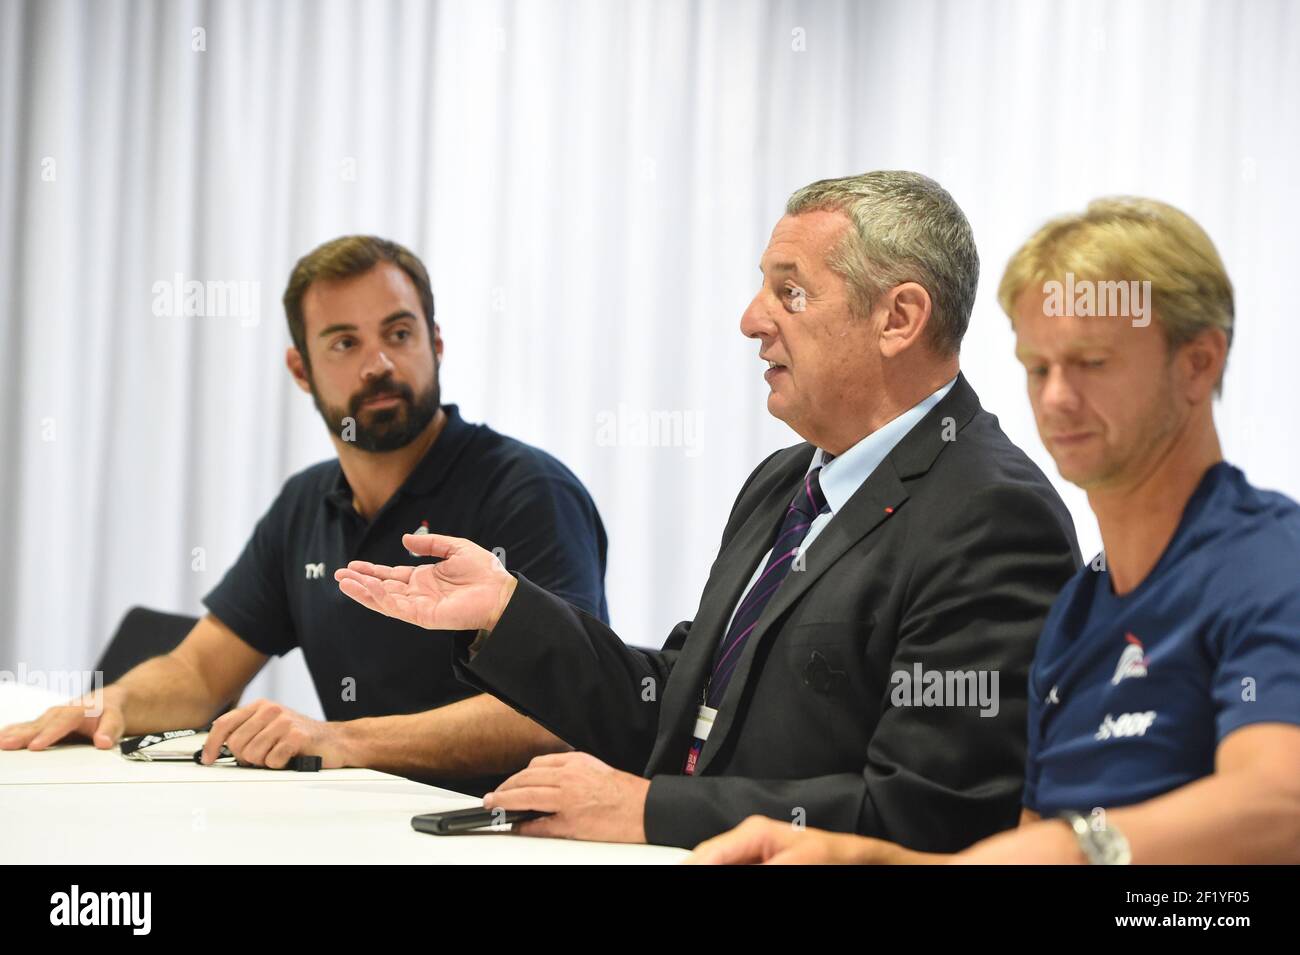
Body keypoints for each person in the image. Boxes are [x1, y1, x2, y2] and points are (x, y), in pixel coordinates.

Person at [336, 172, 1081, 848]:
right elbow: (677, 706)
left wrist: (651, 810)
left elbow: (933, 814)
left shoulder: (991, 515)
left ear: (899, 317)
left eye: (789, 291)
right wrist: (504, 609)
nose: (751, 320)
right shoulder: (783, 480)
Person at [688, 197, 1300, 864]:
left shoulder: (1270, 565)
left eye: (1091, 362)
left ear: (1198, 363)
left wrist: (1073, 847)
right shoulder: (1081, 608)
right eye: (1038, 368)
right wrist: (864, 860)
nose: (1056, 398)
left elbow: (1279, 803)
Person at [0, 236, 608, 791]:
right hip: (361, 823)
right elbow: (202, 671)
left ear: (436, 342)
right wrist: (113, 705)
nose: (379, 364)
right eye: (346, 342)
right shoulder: (305, 503)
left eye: (398, 334)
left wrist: (341, 740)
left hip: (508, 834)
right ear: (301, 370)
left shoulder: (530, 491)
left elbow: (558, 711)